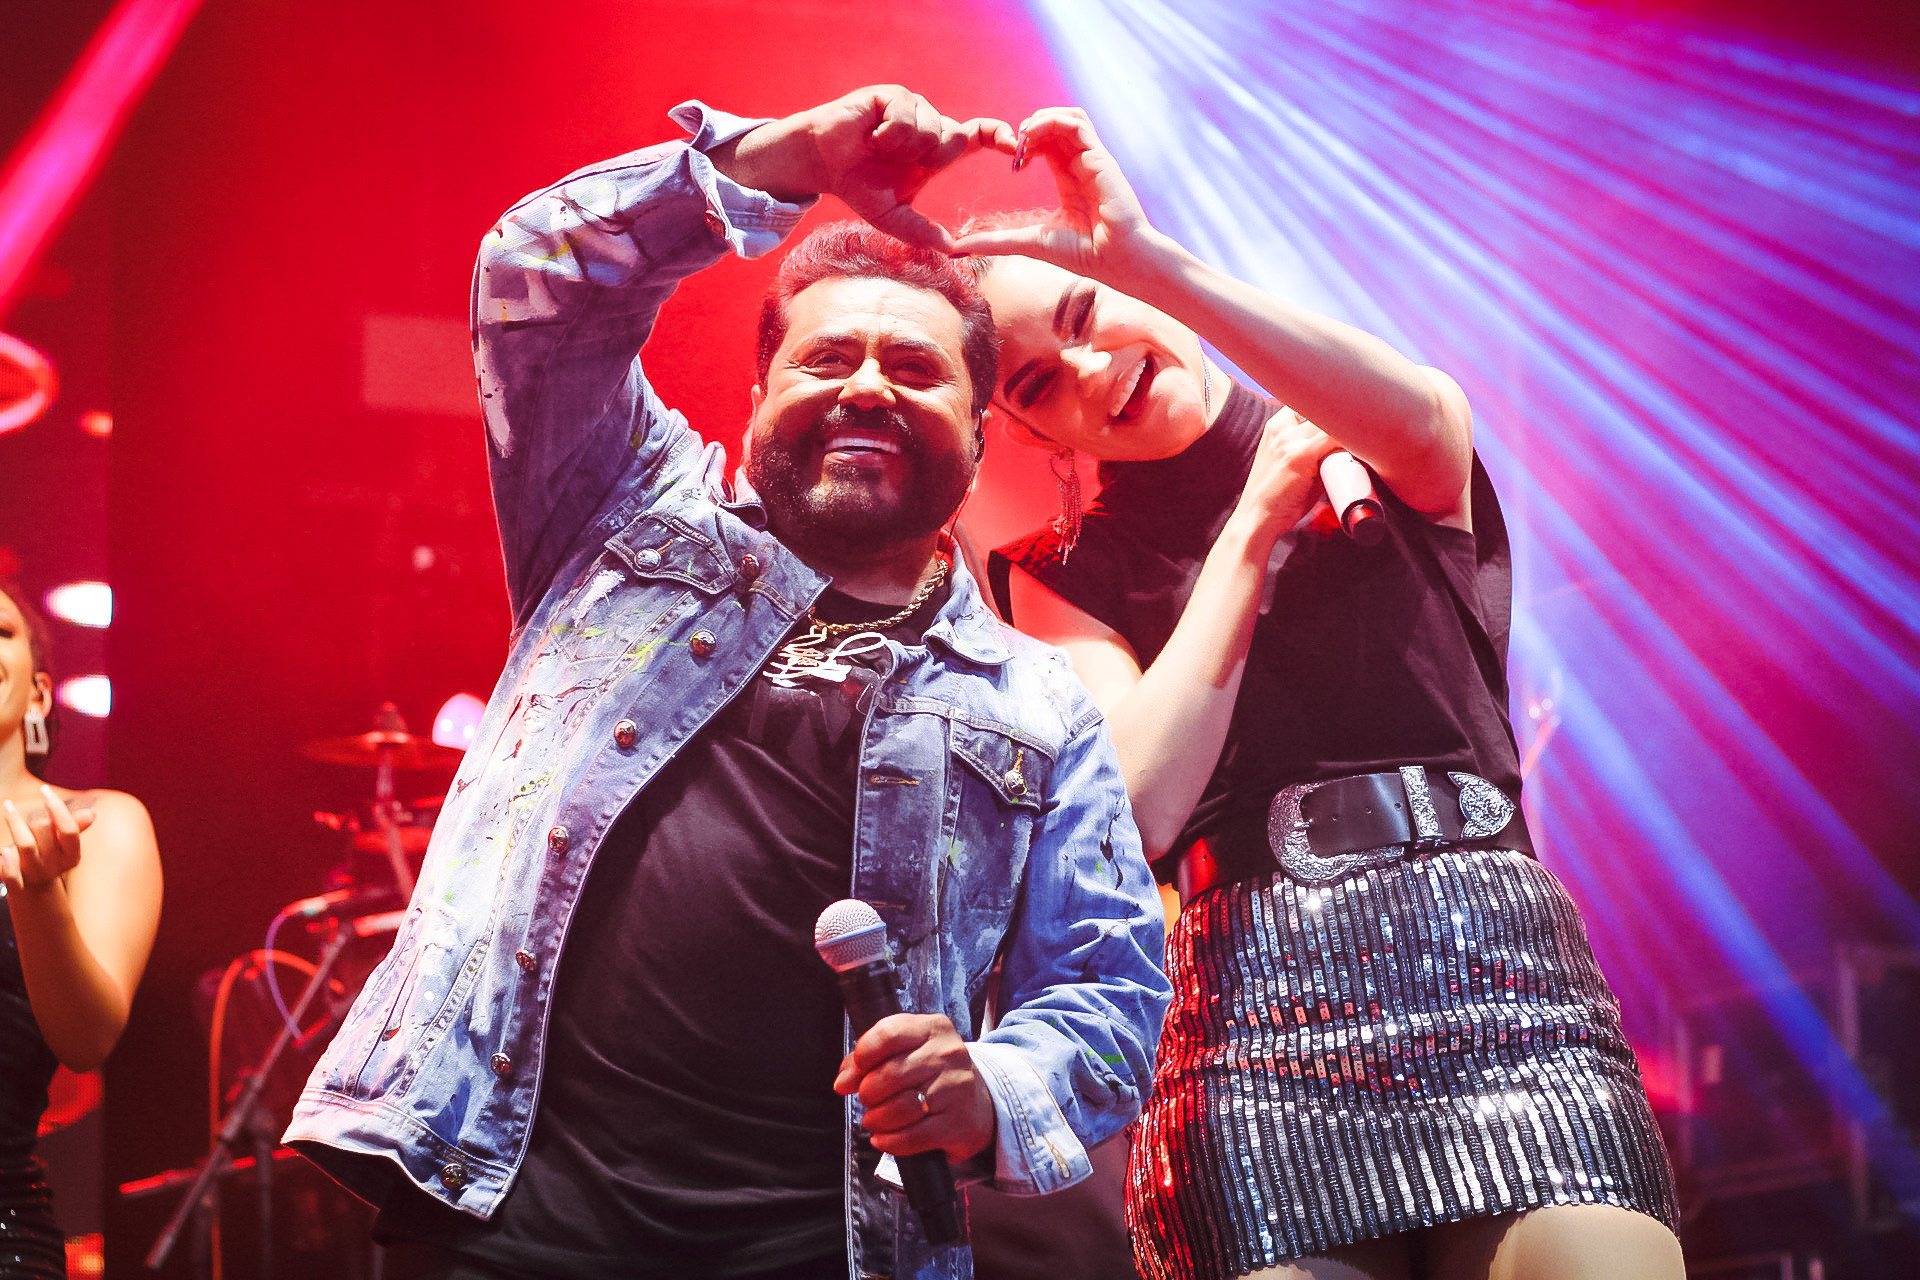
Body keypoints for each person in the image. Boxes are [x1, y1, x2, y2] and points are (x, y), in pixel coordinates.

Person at [283, 87, 1171, 1280]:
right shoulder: (620, 516)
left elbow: (1111, 993)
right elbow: (535, 278)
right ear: (757, 407)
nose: (868, 386)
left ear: (974, 437)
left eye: (916, 367)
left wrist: (992, 1086)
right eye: (827, 357)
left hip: (828, 1246)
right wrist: (774, 159)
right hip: (504, 1219)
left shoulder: (1038, 701)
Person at [955, 109, 1683, 1280]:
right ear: (1028, 426)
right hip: (1258, 1026)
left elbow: (1430, 417)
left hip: (1501, 980)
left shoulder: (1354, 439)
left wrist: (1146, 258)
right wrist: (1253, 523)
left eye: (1090, 313)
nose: (1093, 371)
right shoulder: (1057, 576)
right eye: (1044, 381)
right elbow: (1138, 803)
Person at [0, 583, 162, 1279]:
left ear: (39, 694)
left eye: (0, 630)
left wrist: (38, 894)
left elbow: (87, 1037)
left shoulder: (101, 822)